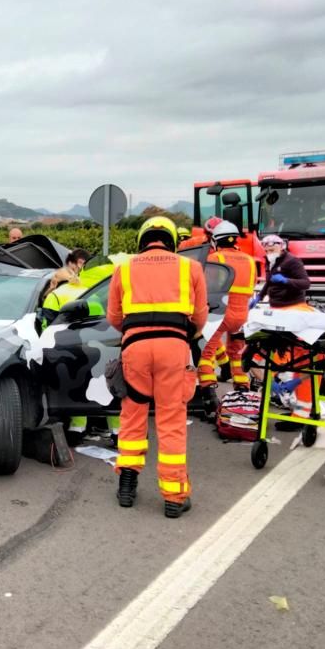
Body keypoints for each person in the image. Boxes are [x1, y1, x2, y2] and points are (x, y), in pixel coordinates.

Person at [107, 216, 207, 518]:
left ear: (142, 240)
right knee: (171, 418)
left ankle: (127, 480)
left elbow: (115, 316)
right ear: (172, 241)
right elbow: (200, 317)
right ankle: (174, 496)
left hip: (135, 348)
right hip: (173, 347)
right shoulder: (191, 267)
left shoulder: (123, 269)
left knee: (133, 414)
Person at [250, 234, 314, 428]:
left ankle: (301, 413)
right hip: (276, 312)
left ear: (281, 247)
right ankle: (274, 388)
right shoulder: (271, 261)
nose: (268, 252)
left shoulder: (292, 262)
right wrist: (259, 298)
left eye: (272, 249)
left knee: (301, 356)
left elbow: (306, 284)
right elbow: (269, 283)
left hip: (295, 310)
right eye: (266, 249)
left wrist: (286, 281)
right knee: (256, 355)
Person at [197, 220, 256, 410]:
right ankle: (242, 389)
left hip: (221, 314)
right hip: (241, 316)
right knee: (237, 354)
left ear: (216, 240)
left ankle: (209, 395)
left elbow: (207, 287)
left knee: (206, 354)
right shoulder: (249, 260)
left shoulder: (215, 259)